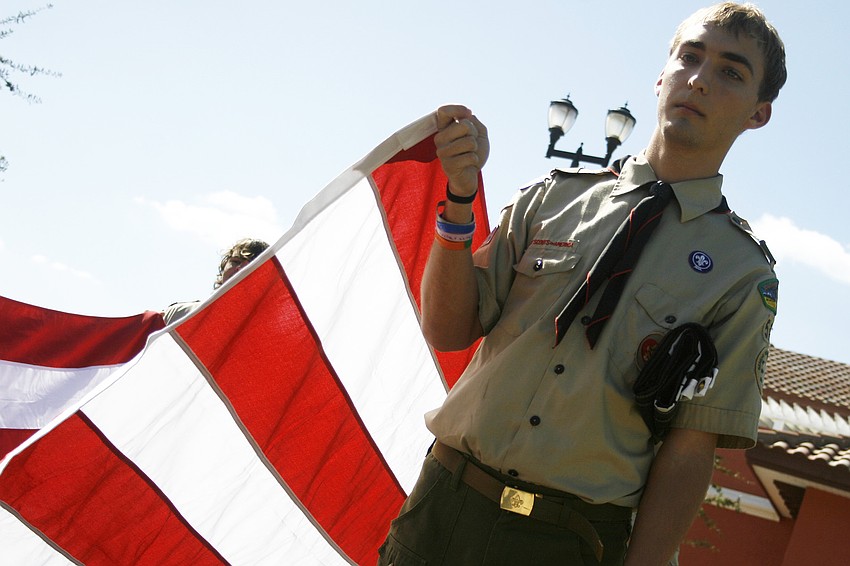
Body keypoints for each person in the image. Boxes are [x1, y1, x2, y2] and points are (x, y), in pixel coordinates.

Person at [378, 3, 785, 565]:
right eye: (689, 57)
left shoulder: (742, 275)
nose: (699, 79)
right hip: (443, 510)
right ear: (661, 75)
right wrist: (460, 199)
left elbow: (691, 446)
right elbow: (448, 330)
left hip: (570, 540)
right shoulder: (552, 196)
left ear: (758, 114)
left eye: (731, 72)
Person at [162, 238, 269, 324]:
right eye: (236, 261)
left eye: (251, 267)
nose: (240, 269)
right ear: (224, 266)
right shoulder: (178, 313)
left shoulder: (265, 333)